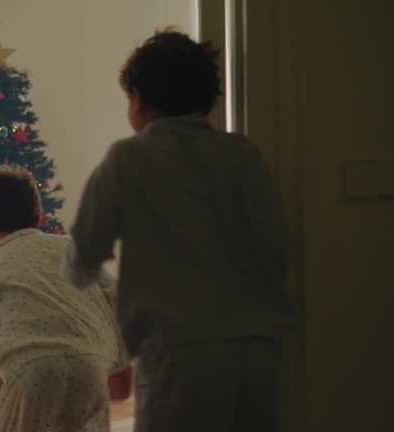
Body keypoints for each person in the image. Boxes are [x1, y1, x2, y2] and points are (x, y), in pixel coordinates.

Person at [62, 30, 298, 431]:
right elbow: (277, 246)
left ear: (137, 99)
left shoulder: (127, 160)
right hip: (258, 350)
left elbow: (82, 257)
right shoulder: (243, 155)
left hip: (178, 352)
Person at [0, 166, 128, 432]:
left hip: (32, 372)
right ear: (39, 217)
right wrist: (121, 366)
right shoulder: (69, 247)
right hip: (91, 366)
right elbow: (115, 296)